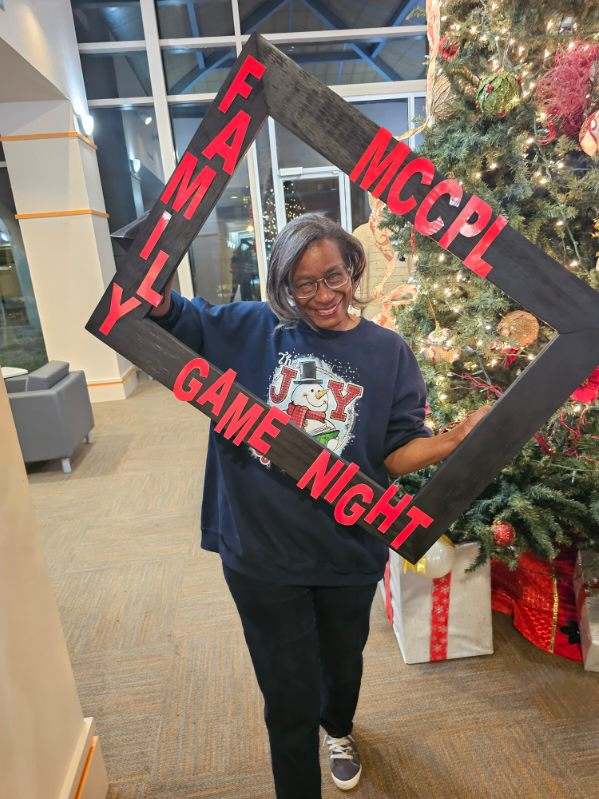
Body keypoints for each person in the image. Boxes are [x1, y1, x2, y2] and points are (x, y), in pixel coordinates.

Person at [150, 214, 488, 798]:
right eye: (304, 285)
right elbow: (174, 317)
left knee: (341, 663)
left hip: (345, 547)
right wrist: (143, 272)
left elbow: (394, 451)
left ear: (353, 269)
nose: (324, 296)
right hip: (260, 550)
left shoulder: (387, 352)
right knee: (286, 696)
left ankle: (339, 729)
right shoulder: (251, 328)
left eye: (335, 277)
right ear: (283, 285)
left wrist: (453, 440)